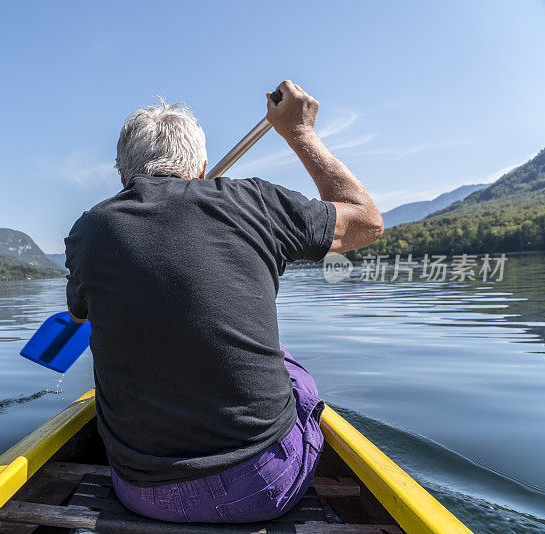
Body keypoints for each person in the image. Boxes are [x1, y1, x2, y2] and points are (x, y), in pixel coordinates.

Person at [64, 80, 383, 523]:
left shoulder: (90, 229)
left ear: (123, 174)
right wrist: (300, 134)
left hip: (138, 491)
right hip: (259, 487)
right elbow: (366, 222)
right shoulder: (253, 201)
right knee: (288, 364)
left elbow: (79, 314)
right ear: (202, 167)